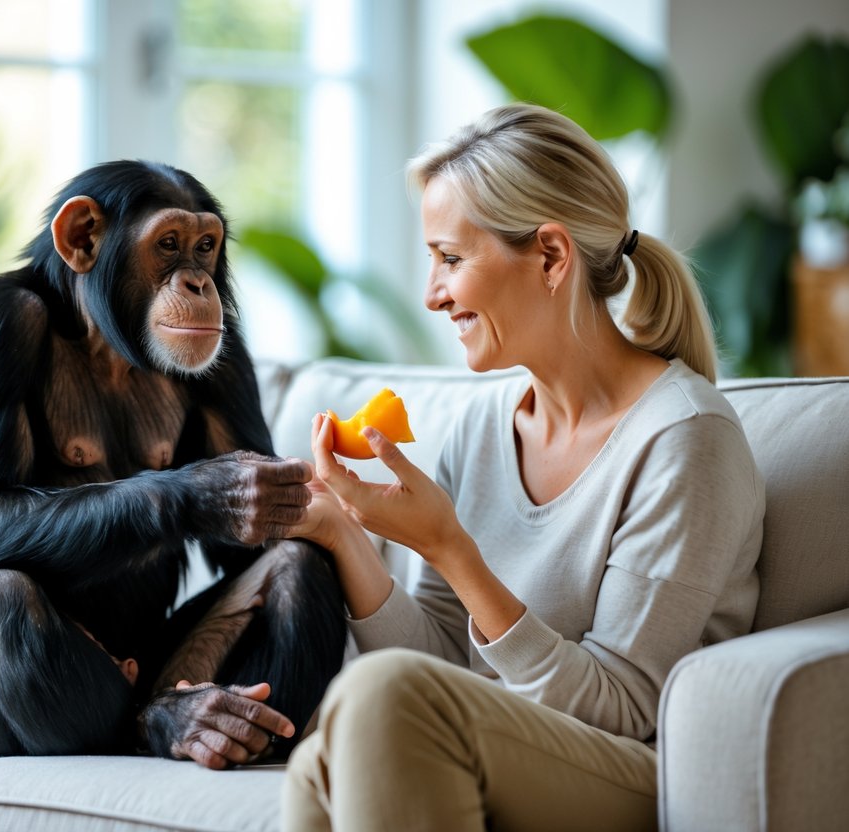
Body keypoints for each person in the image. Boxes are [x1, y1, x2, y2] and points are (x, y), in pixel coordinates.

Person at [278, 103, 765, 831]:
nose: (431, 293)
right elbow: (441, 665)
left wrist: (449, 547)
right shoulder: (479, 428)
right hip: (500, 744)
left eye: (449, 258)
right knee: (331, 746)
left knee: (378, 698)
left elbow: (625, 708)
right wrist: (345, 533)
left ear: (549, 257)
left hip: (634, 772)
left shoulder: (684, 440)